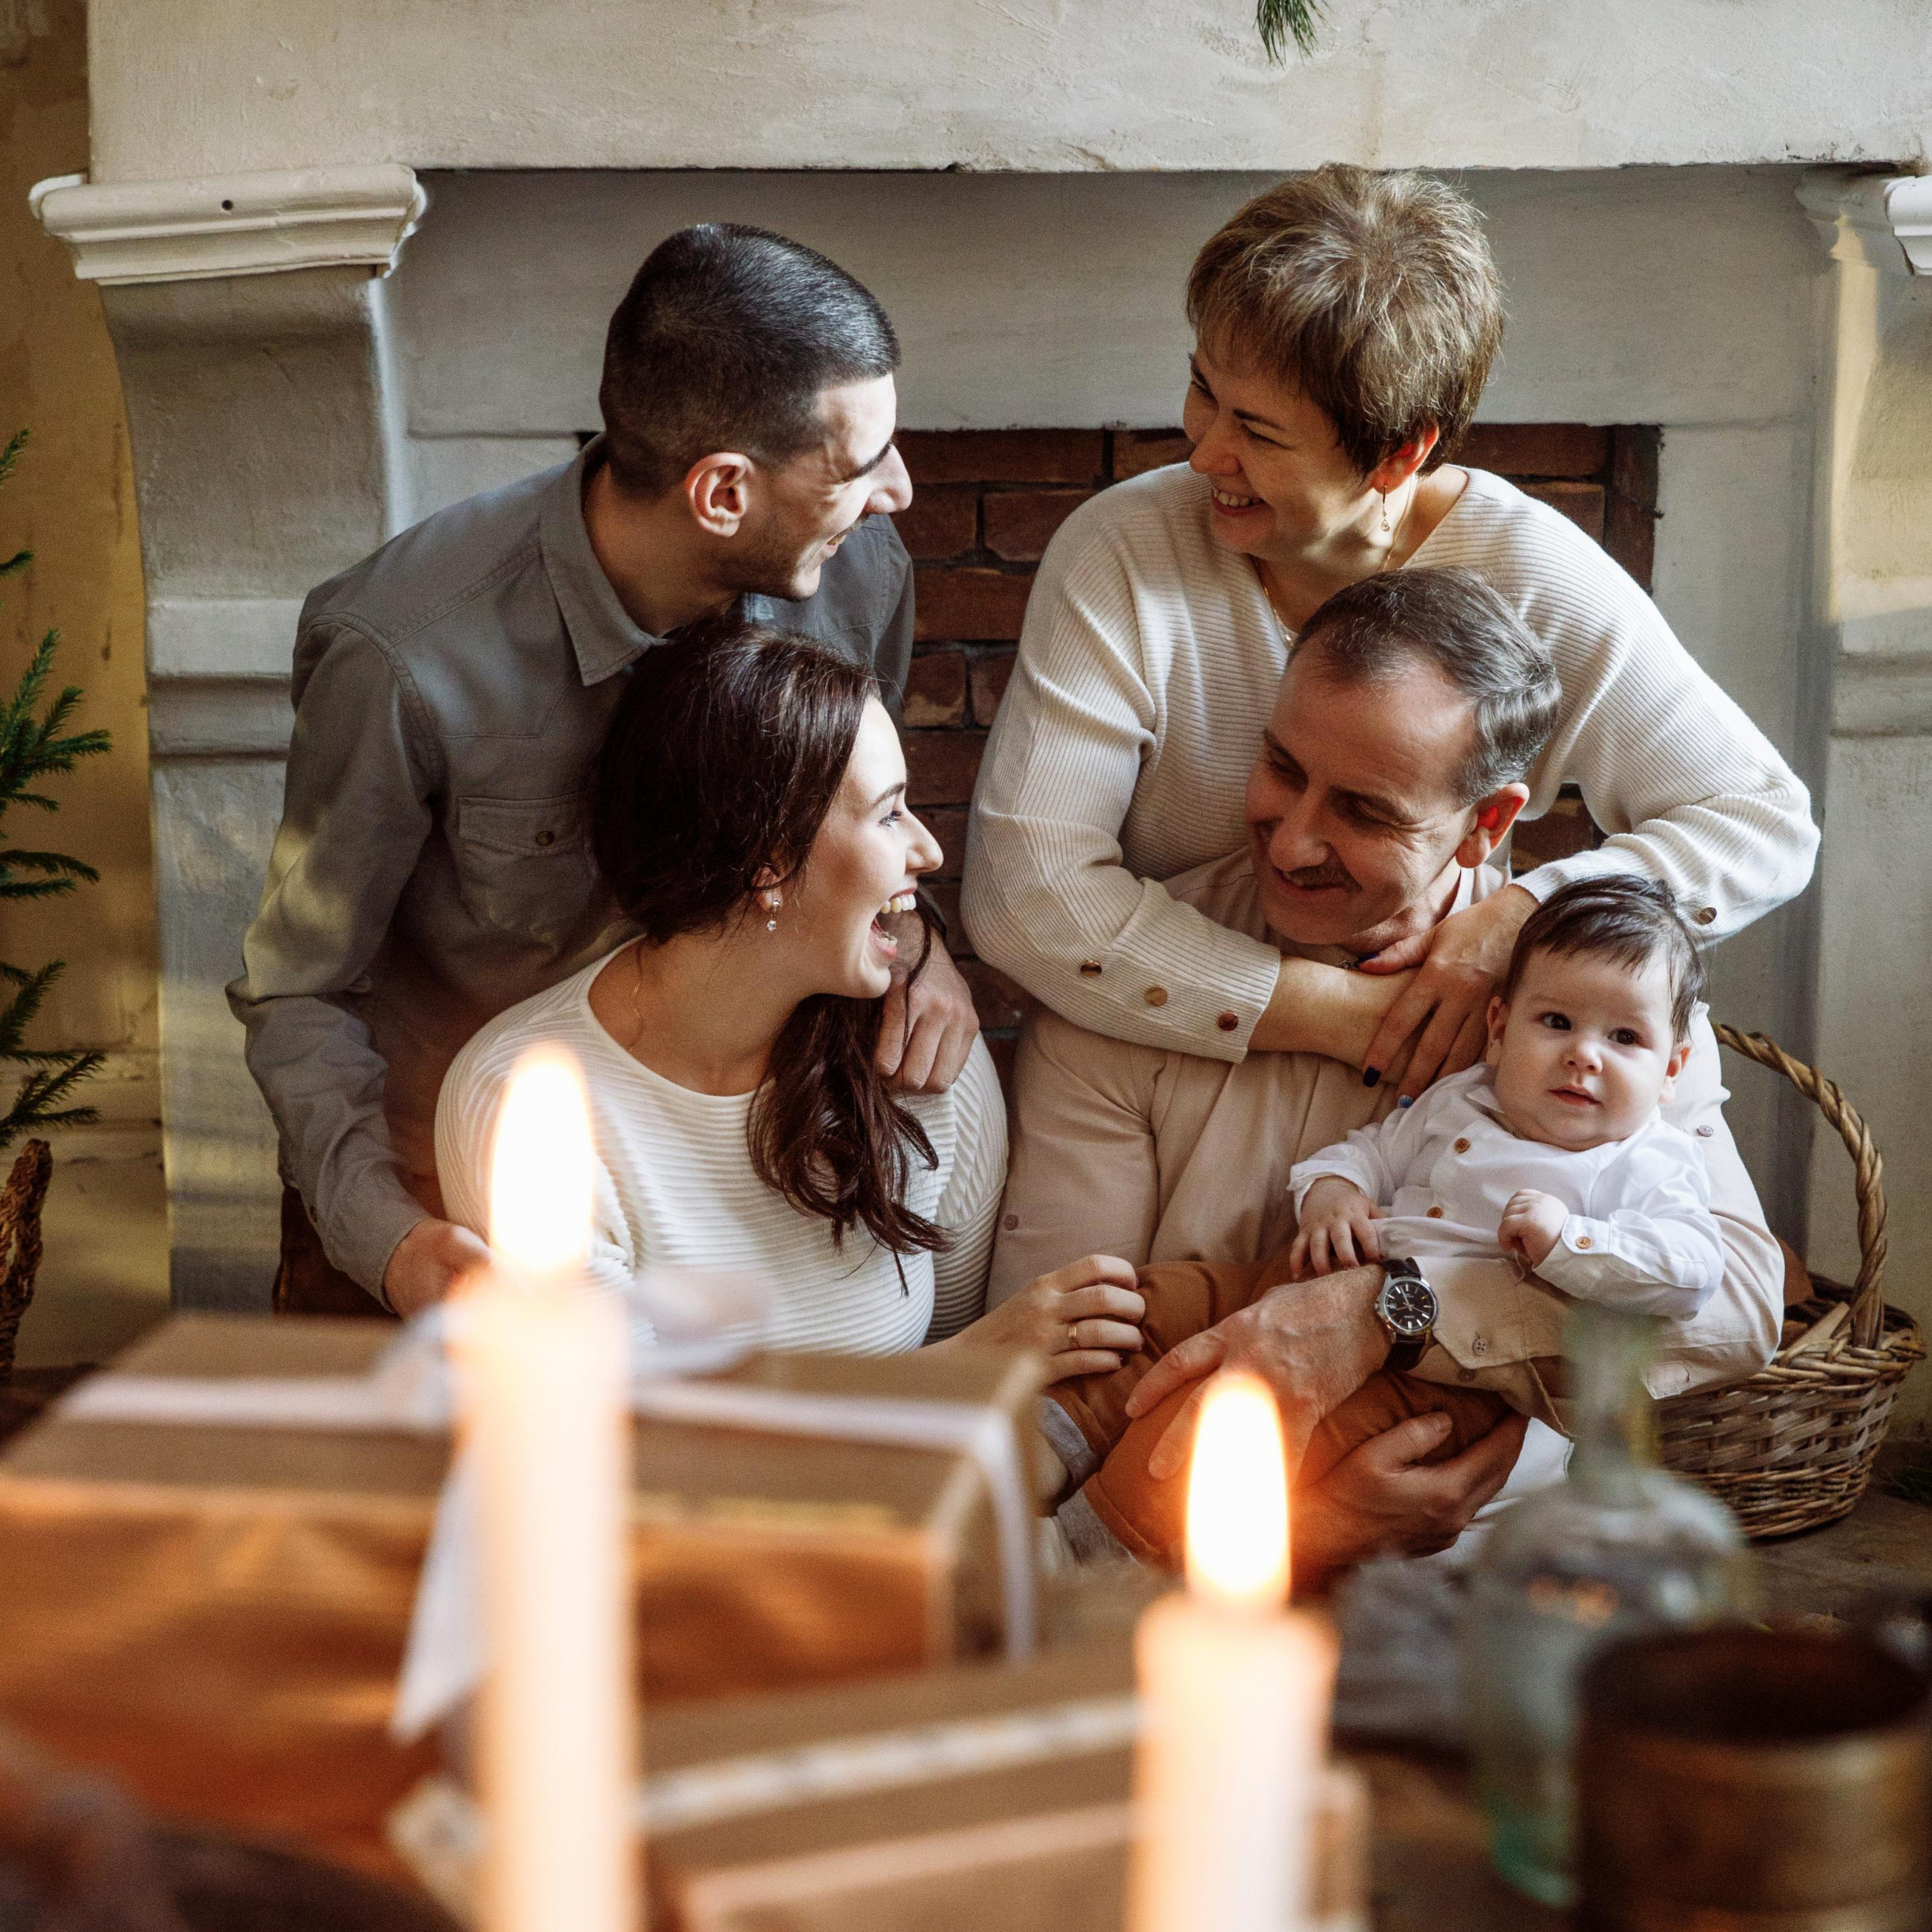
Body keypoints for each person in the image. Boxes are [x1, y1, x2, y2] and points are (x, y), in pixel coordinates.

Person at [229, 223, 980, 1318]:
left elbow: (851, 824)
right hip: (452, 1201)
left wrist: (916, 939)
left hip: (725, 1175)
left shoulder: (858, 573)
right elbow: (302, 985)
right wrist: (389, 1242)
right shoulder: (402, 657)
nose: (900, 493)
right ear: (721, 493)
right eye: (863, 464)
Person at [963, 162, 1817, 1110]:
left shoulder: (1531, 571)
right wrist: (1338, 1015)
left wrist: (1523, 916)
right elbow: (1024, 897)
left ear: (1404, 450)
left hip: (1426, 1103)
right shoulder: (1118, 550)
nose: (1203, 451)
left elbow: (1763, 823)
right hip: (1149, 1073)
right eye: (1202, 389)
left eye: (1260, 431)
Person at [989, 570, 1784, 1581]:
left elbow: (1741, 1305)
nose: (1294, 837)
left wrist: (1395, 1316)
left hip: (1492, 1562)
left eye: (1364, 809)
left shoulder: (1603, 1004)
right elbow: (1062, 1342)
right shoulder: (1130, 981)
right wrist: (1311, 1532)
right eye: (1282, 766)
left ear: (1488, 822)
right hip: (1150, 1566)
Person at [437, 618, 1143, 1374]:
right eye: (889, 813)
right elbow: (626, 1436)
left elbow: (955, 1363)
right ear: (767, 858)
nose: (929, 852)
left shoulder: (923, 1058)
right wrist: (963, 1372)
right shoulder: (524, 1100)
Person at [1061, 874, 1730, 1567]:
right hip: (1317, 1275)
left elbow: (1693, 1269)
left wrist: (1573, 1240)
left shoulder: (1649, 1158)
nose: (1583, 1054)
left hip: (1449, 1383)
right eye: (1556, 1022)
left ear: (1672, 1068)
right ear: (1500, 1028)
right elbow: (1365, 1153)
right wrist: (1332, 1193)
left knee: (1252, 1421)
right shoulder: (1458, 1099)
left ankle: (1102, 1547)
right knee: (1159, 1301)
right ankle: (1050, 1439)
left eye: (1625, 1037)